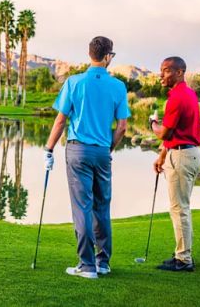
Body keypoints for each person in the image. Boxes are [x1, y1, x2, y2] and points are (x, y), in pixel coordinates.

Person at [44, 36, 130, 279]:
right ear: (107, 56)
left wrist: (48, 149)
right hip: (102, 151)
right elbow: (122, 127)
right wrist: (108, 148)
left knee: (82, 207)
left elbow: (60, 120)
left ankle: (87, 266)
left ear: (90, 54)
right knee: (102, 206)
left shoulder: (74, 82)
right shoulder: (118, 86)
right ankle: (103, 263)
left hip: (77, 151)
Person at [150, 56, 200, 272]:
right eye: (161, 70)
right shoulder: (188, 94)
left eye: (166, 70)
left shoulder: (177, 98)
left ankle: (183, 259)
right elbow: (173, 135)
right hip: (186, 153)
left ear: (180, 72)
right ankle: (182, 252)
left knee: (179, 208)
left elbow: (165, 132)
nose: (161, 74)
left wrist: (153, 124)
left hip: (182, 156)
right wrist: (162, 156)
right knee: (181, 206)